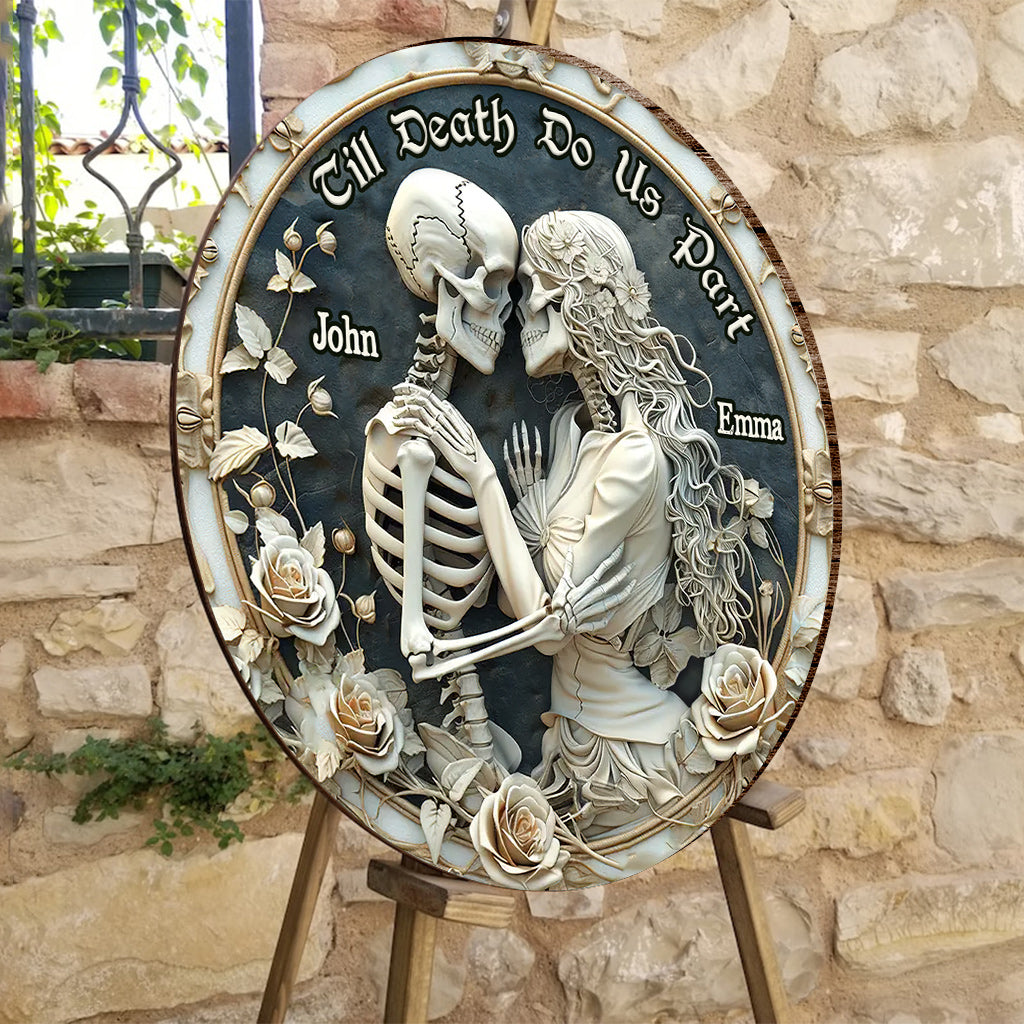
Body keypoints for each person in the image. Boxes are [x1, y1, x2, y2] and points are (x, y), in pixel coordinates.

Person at [395, 210, 751, 821]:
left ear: (576, 304)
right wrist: (527, 527)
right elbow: (519, 601)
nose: (521, 310)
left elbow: (549, 630)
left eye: (532, 290)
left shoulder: (634, 458)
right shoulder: (575, 436)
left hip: (632, 748)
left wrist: (481, 476)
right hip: (570, 737)